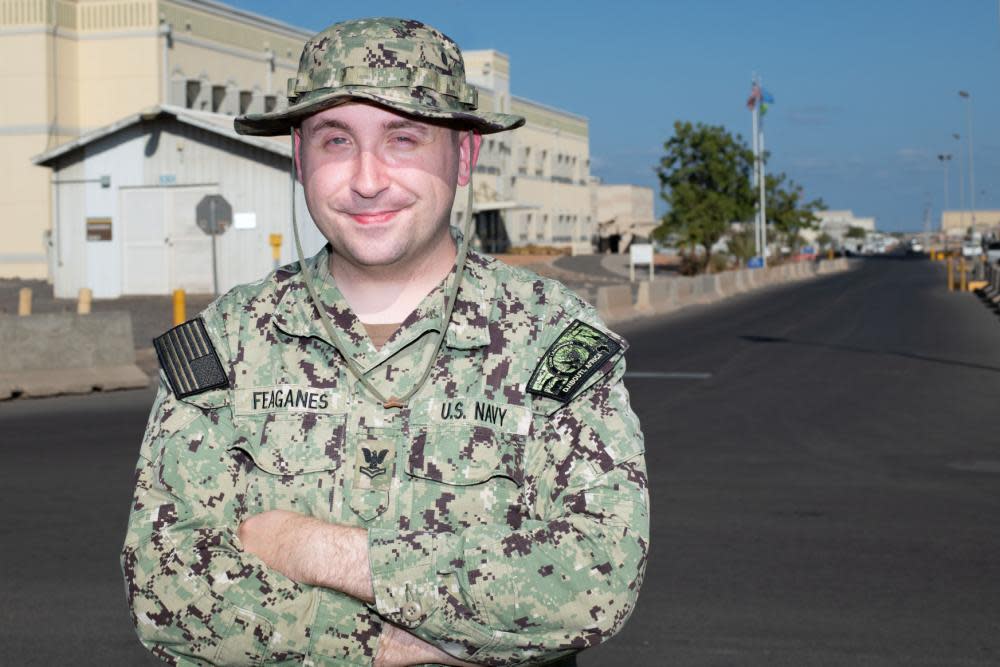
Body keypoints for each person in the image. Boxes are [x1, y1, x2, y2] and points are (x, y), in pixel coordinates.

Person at [121, 17, 648, 667]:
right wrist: (377, 643)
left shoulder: (548, 339)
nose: (368, 179)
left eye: (404, 138)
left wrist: (321, 550)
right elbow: (166, 589)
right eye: (336, 140)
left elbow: (595, 577)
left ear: (464, 154)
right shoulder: (226, 345)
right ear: (298, 156)